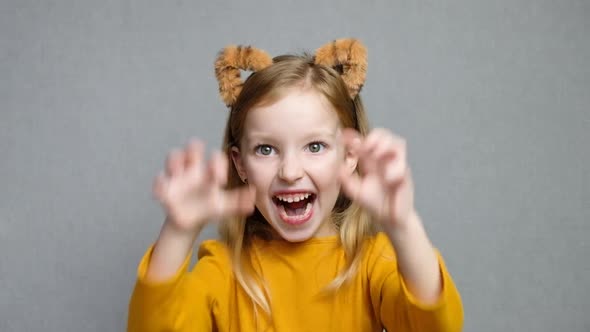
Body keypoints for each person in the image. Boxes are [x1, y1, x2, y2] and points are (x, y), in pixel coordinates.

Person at [127, 38, 464, 331]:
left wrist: (403, 226)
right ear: (240, 164)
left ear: (349, 155)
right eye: (266, 149)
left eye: (314, 146)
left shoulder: (373, 263)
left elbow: (434, 327)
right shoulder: (223, 270)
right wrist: (178, 231)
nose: (290, 171)